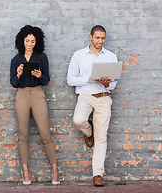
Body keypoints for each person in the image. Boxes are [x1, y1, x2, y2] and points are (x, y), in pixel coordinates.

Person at [67, 25, 118, 187]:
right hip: (86, 96)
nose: (100, 41)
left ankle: (98, 174)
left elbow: (114, 84)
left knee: (102, 138)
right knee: (79, 119)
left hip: (104, 97)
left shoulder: (111, 56)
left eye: (103, 38)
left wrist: (106, 84)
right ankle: (88, 132)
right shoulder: (79, 55)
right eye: (97, 38)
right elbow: (71, 79)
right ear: (90, 37)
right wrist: (90, 79)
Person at [10, 25, 60, 185]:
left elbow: (46, 80)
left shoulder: (42, 57)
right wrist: (18, 74)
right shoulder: (16, 60)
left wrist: (40, 76)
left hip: (38, 94)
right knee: (23, 135)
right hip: (22, 95)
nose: (30, 44)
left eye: (32, 41)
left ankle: (55, 170)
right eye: (27, 41)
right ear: (22, 41)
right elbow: (13, 83)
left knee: (45, 134)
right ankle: (25, 172)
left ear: (36, 41)